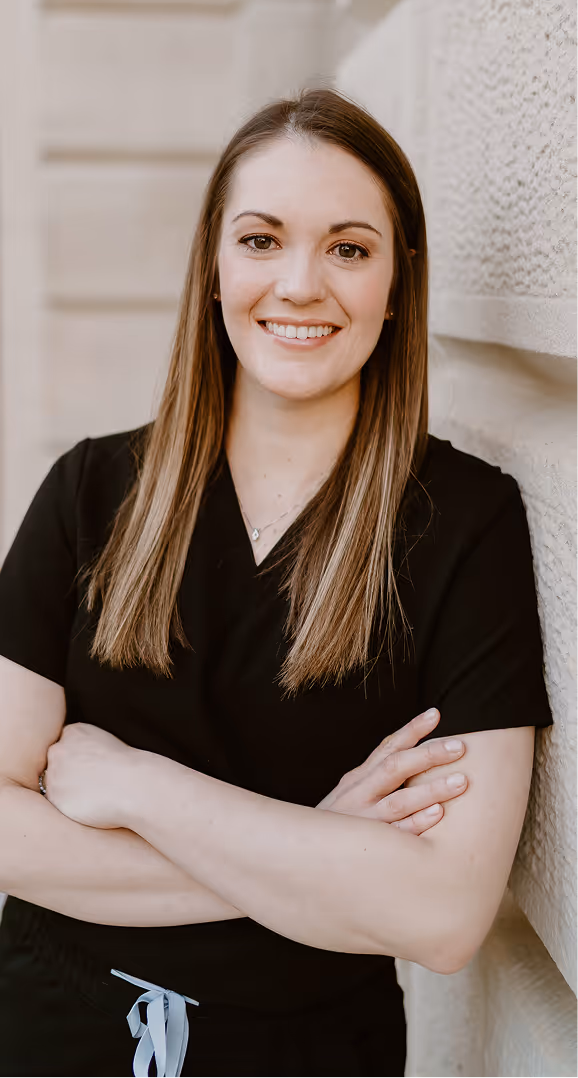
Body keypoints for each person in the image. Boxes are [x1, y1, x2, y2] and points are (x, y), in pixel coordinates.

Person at [0, 88, 552, 1078]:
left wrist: (137, 786)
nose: (300, 283)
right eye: (261, 240)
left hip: (313, 1052)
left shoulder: (464, 523)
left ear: (396, 284)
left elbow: (441, 915)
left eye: (347, 248)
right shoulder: (91, 491)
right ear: (212, 267)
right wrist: (317, 851)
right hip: (53, 1032)